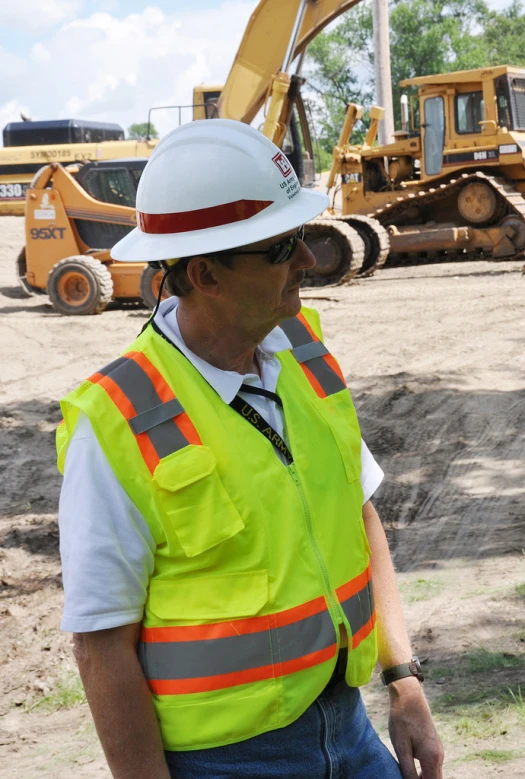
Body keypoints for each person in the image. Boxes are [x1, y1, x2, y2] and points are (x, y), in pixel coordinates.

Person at [57, 119, 444, 779]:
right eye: (283, 246)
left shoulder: (305, 350)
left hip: (346, 726)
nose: (310, 260)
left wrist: (403, 680)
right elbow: (101, 647)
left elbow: (357, 514)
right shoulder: (115, 419)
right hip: (224, 763)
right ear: (205, 274)